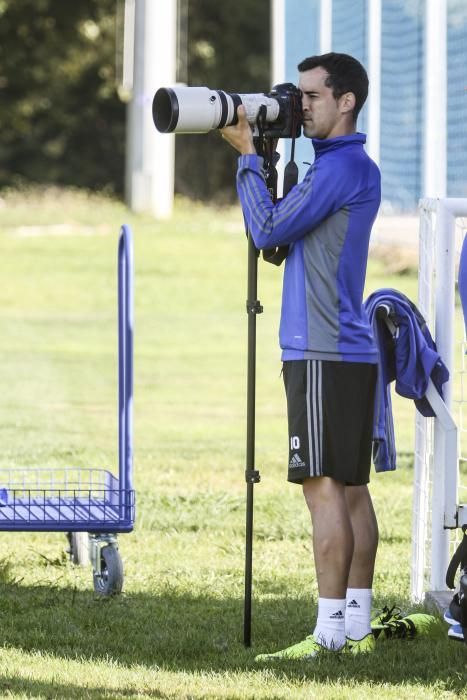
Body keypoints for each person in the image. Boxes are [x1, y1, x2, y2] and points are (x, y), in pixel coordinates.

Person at [221, 52, 382, 659]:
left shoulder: (338, 170)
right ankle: (357, 624)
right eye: (301, 95)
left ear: (346, 101)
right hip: (346, 349)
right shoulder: (345, 167)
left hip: (320, 349)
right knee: (350, 489)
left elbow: (266, 232)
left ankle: (329, 633)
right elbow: (288, 242)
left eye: (313, 96)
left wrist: (245, 157)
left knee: (323, 489)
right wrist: (274, 166)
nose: (302, 105)